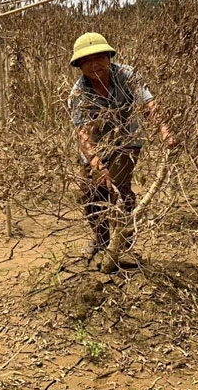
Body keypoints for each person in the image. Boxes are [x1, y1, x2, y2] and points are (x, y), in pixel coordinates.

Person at [68, 32, 175, 260]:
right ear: (79, 66)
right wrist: (96, 163)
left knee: (118, 189)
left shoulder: (127, 75)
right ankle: (101, 240)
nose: (93, 64)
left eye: (98, 57)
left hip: (127, 141)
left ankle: (122, 246)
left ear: (109, 57)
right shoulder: (79, 93)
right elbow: (84, 135)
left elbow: (149, 106)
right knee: (92, 194)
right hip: (96, 146)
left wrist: (164, 131)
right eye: (86, 60)